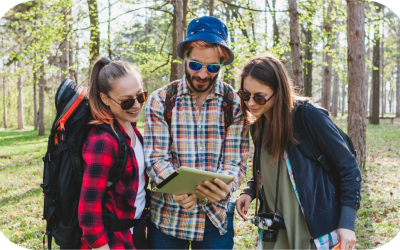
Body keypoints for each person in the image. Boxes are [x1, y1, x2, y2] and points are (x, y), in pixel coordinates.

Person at [235, 53, 361, 250]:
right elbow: (270, 169)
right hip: (275, 233)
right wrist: (250, 191)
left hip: (313, 231)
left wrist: (347, 223)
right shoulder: (258, 124)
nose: (250, 103)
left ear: (279, 91)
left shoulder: (307, 116)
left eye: (259, 97)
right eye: (245, 95)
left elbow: (349, 168)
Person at [144, 16, 249, 250]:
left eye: (212, 67)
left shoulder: (233, 104)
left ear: (222, 62)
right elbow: (155, 158)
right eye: (195, 65)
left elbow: (236, 161)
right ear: (185, 57)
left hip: (216, 218)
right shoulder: (161, 100)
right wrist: (177, 185)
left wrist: (226, 186)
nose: (202, 74)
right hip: (168, 217)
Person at [78, 57, 149, 250]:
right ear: (105, 99)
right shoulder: (103, 142)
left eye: (140, 96)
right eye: (126, 102)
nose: (136, 105)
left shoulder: (133, 131)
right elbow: (88, 211)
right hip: (113, 242)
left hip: (135, 235)